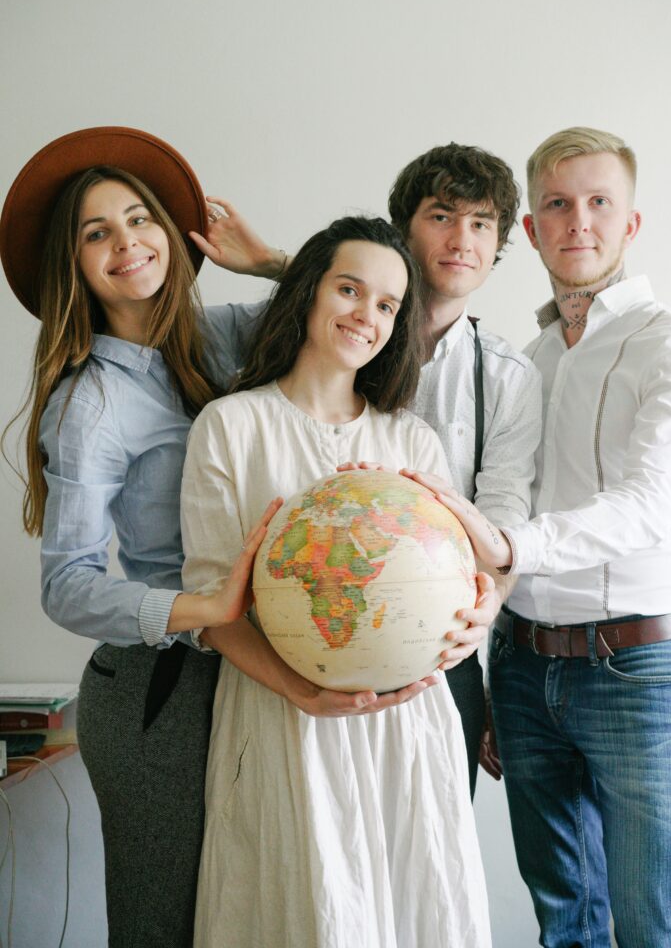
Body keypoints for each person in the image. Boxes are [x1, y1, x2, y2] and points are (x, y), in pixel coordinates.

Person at [0, 126, 280, 948]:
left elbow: (359, 305)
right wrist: (202, 606)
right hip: (160, 698)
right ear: (76, 264)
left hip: (251, 675)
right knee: (167, 929)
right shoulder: (90, 406)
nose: (127, 241)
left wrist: (264, 260)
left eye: (138, 218)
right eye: (97, 233)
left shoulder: (226, 333)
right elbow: (68, 583)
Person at [180, 216, 494, 948]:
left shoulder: (410, 438)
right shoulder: (230, 427)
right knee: (301, 912)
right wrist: (302, 693)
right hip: (284, 719)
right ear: (307, 293)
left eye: (387, 305)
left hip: (407, 728)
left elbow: (464, 573)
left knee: (413, 907)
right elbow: (210, 607)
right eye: (348, 289)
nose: (366, 314)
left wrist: (479, 613)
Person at [408, 127, 671, 948]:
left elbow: (651, 505)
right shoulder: (522, 358)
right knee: (562, 920)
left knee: (652, 924)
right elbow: (387, 305)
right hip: (524, 669)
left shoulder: (667, 343)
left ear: (630, 223)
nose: (579, 222)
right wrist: (497, 664)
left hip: (636, 671)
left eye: (600, 202)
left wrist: (511, 547)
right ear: (527, 230)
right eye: (557, 205)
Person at [202, 144, 542, 794]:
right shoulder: (314, 347)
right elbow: (331, 289)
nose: (461, 240)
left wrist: (482, 617)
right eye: (441, 215)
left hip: (434, 653)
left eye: (480, 224)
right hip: (301, 638)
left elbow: (501, 536)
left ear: (498, 243)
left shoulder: (504, 377)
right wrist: (282, 265)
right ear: (403, 226)